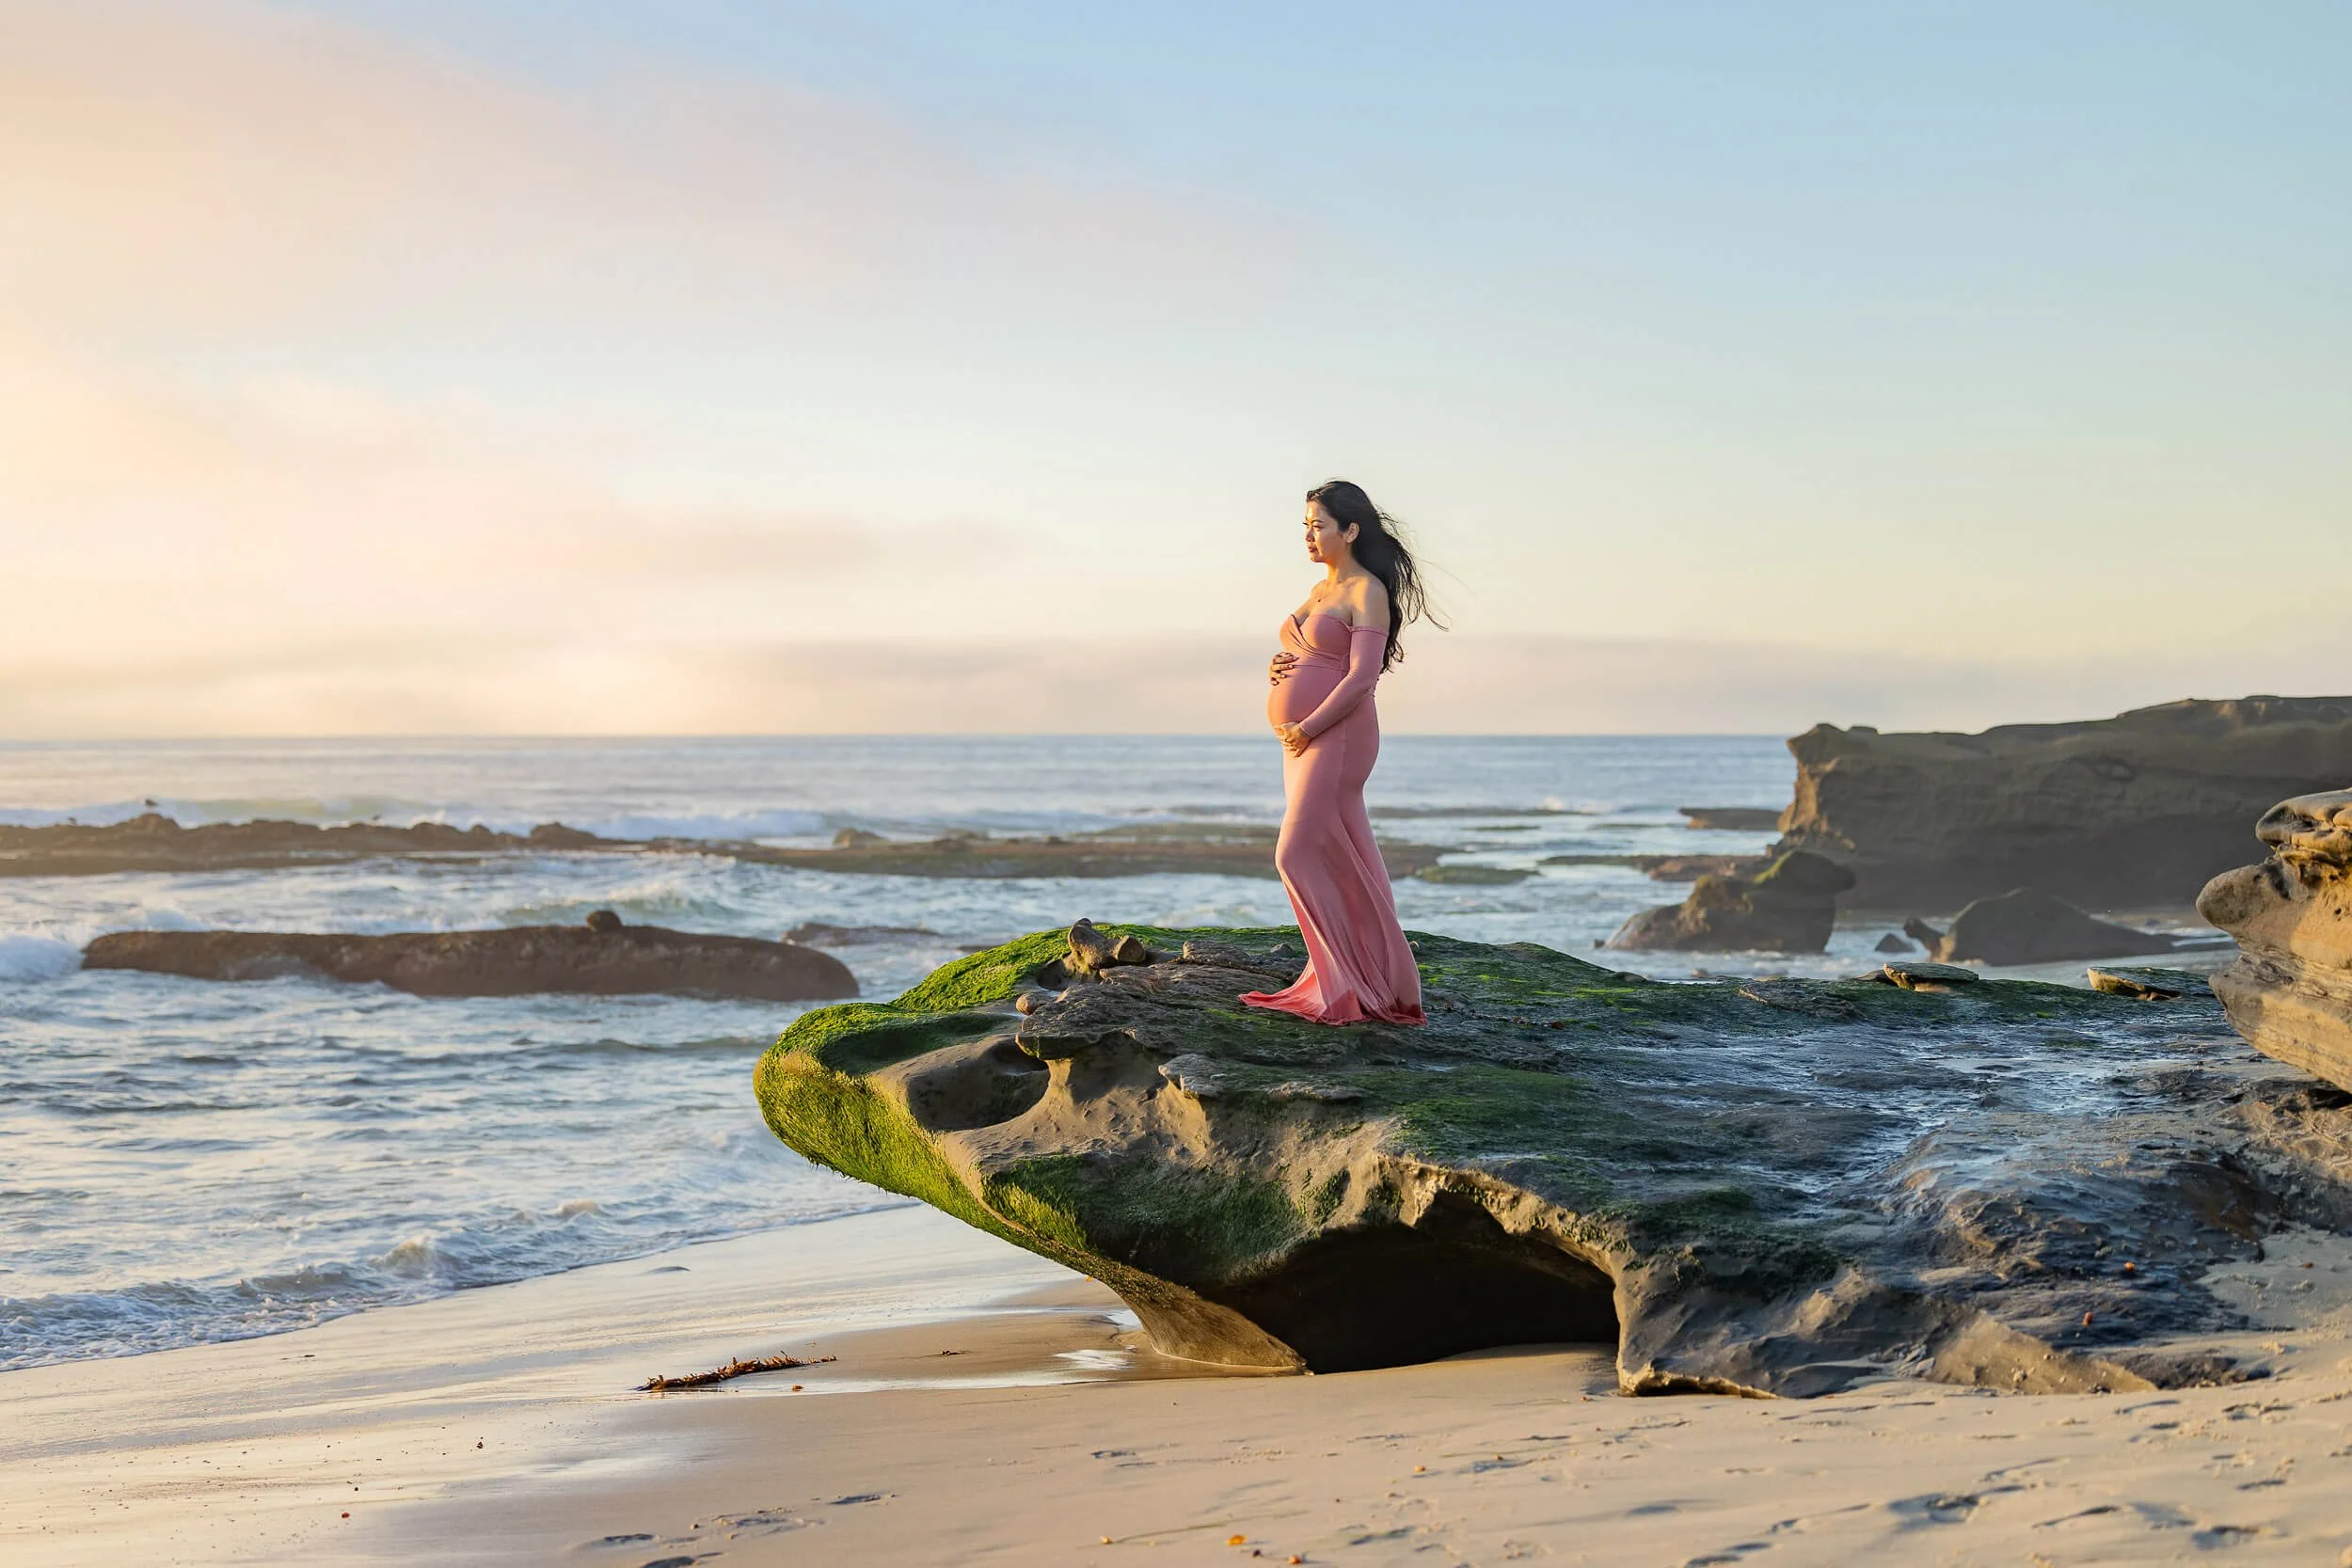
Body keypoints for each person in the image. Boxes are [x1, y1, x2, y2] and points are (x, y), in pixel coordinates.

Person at [1242, 479, 1436, 1026]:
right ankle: (1378, 977)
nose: (1308, 534)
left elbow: (1361, 679)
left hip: (1338, 733)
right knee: (1345, 852)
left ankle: (1350, 981)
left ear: (1350, 531)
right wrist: (1278, 668)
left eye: (1318, 525)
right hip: (1302, 739)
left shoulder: (1365, 591)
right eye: (1305, 525)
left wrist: (1307, 725)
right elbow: (1304, 655)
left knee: (1294, 853)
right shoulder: (1318, 591)